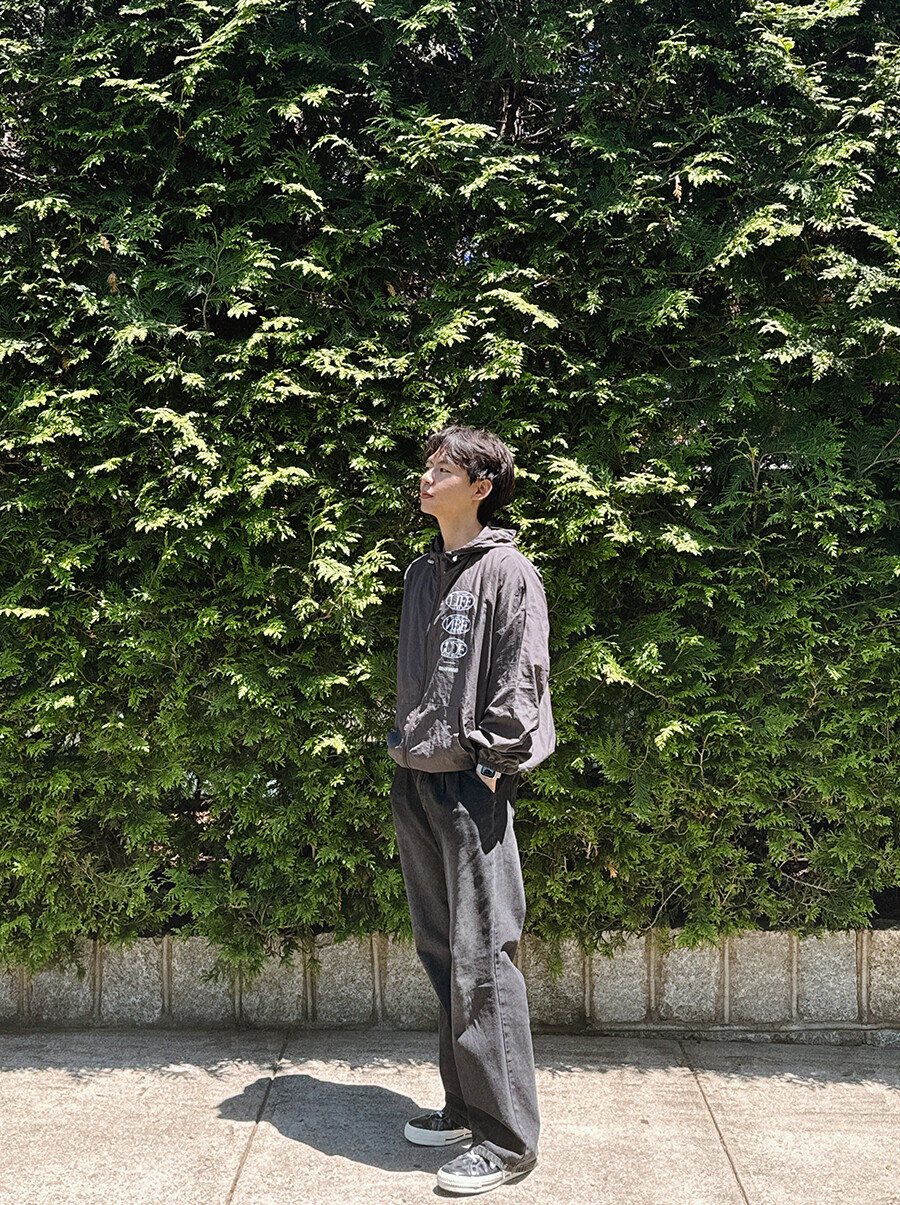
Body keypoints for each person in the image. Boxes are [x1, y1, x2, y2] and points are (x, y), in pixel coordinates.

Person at [387, 425, 555, 1195]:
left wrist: (493, 764)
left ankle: (507, 1139)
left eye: (443, 468)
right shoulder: (424, 573)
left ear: (481, 487)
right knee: (443, 952)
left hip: (471, 785)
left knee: (485, 958)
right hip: (418, 780)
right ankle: (464, 1106)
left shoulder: (508, 572)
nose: (427, 478)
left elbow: (522, 675)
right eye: (427, 466)